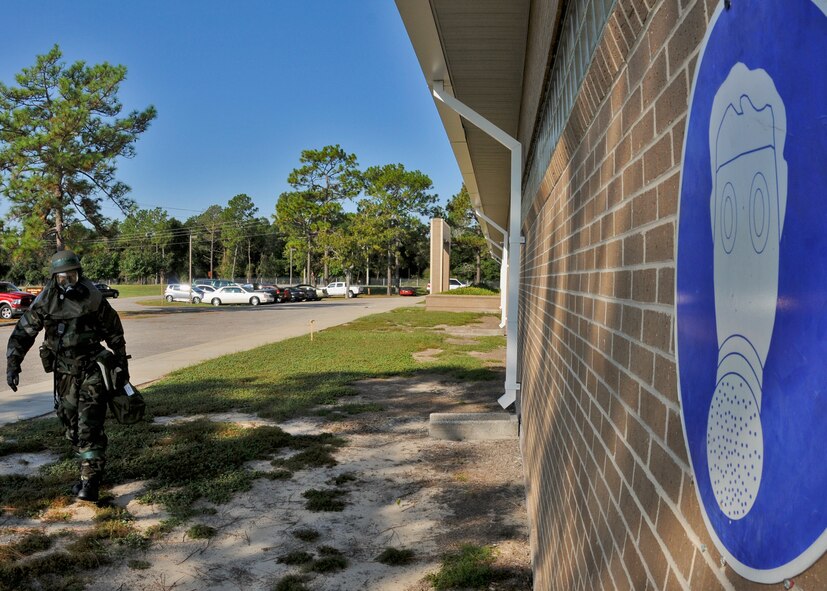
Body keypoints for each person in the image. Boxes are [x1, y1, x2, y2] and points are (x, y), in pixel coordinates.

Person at [5, 249, 129, 502]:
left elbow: (114, 330)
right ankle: (87, 468)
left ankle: (90, 482)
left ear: (79, 274)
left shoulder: (93, 298)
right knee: (69, 423)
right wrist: (13, 363)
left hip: (93, 368)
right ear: (54, 278)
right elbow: (24, 332)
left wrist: (121, 361)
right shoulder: (45, 302)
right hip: (64, 372)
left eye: (72, 276)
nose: (68, 282)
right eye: (62, 278)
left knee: (89, 424)